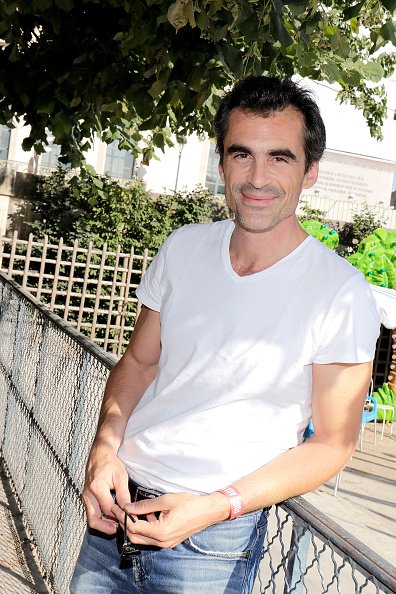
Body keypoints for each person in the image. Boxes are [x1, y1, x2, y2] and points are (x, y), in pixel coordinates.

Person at [70, 76, 380, 594]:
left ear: (311, 172)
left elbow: (332, 443)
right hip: (116, 510)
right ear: (221, 164)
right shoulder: (183, 247)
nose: (257, 177)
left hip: (210, 542)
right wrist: (103, 450)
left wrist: (216, 506)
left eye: (280, 157)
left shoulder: (342, 293)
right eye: (242, 155)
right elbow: (138, 364)